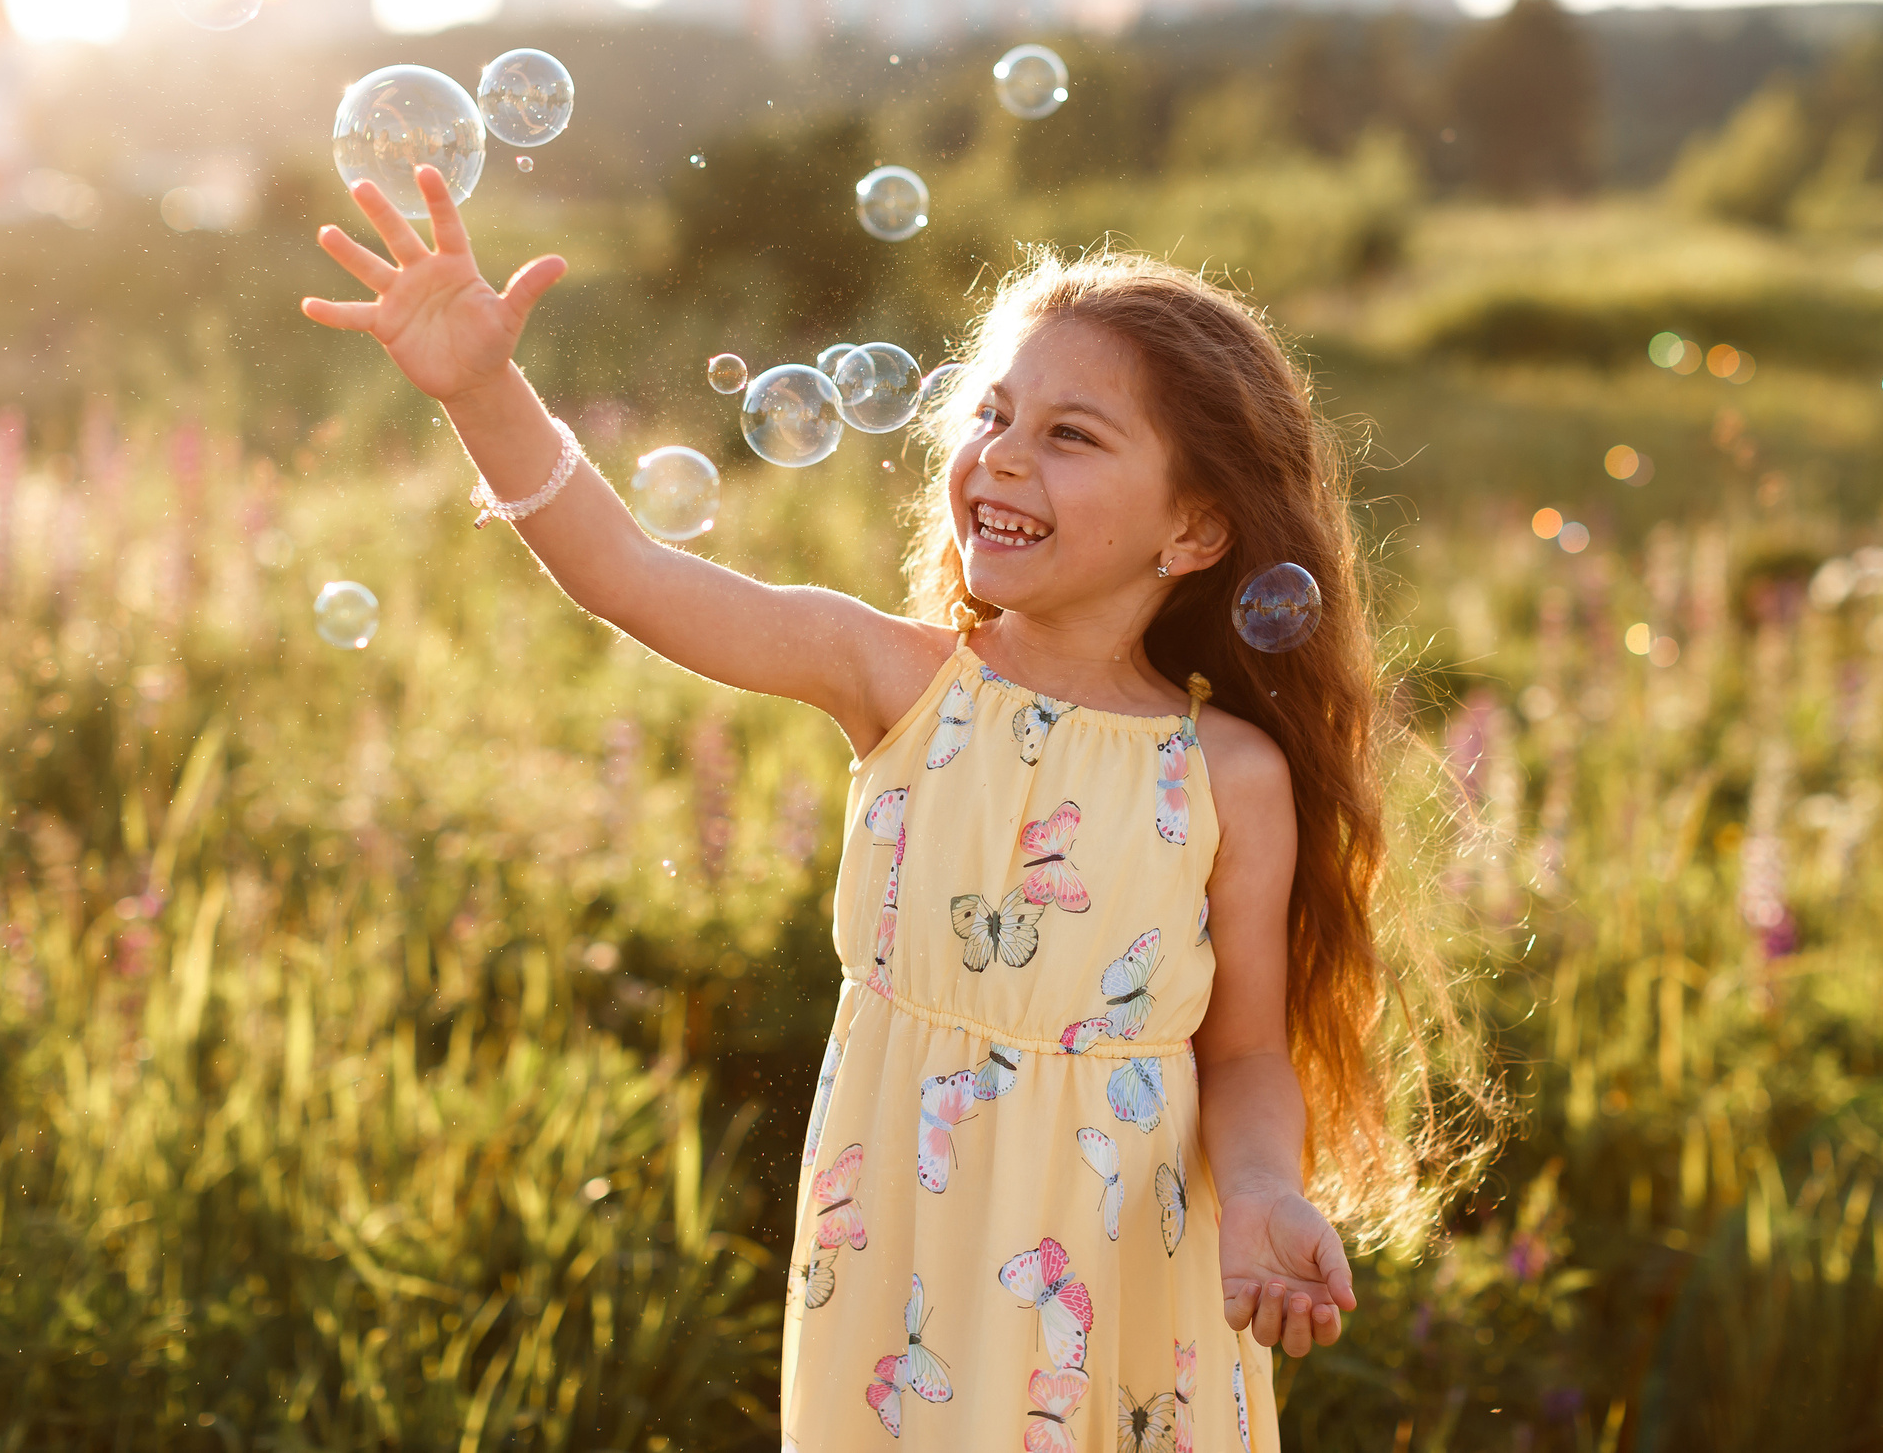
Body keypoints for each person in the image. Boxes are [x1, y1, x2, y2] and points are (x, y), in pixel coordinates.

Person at [303, 166, 1485, 1450]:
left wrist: (1260, 1188)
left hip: (1124, 1288)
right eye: (993, 413)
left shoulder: (1227, 775)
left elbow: (1247, 1050)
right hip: (907, 1279)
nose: (1001, 455)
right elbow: (628, 571)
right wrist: (482, 386)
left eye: (1070, 435)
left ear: (1195, 528)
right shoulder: (900, 682)